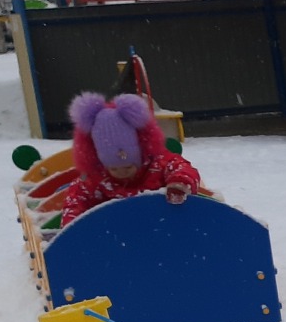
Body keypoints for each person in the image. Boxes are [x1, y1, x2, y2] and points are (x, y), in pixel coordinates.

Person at [57, 93, 203, 226]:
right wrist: (72, 226)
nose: (122, 172)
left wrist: (179, 183)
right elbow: (76, 199)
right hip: (117, 234)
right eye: (113, 168)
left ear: (140, 154)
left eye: (128, 166)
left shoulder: (158, 163)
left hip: (162, 225)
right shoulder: (95, 178)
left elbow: (180, 167)